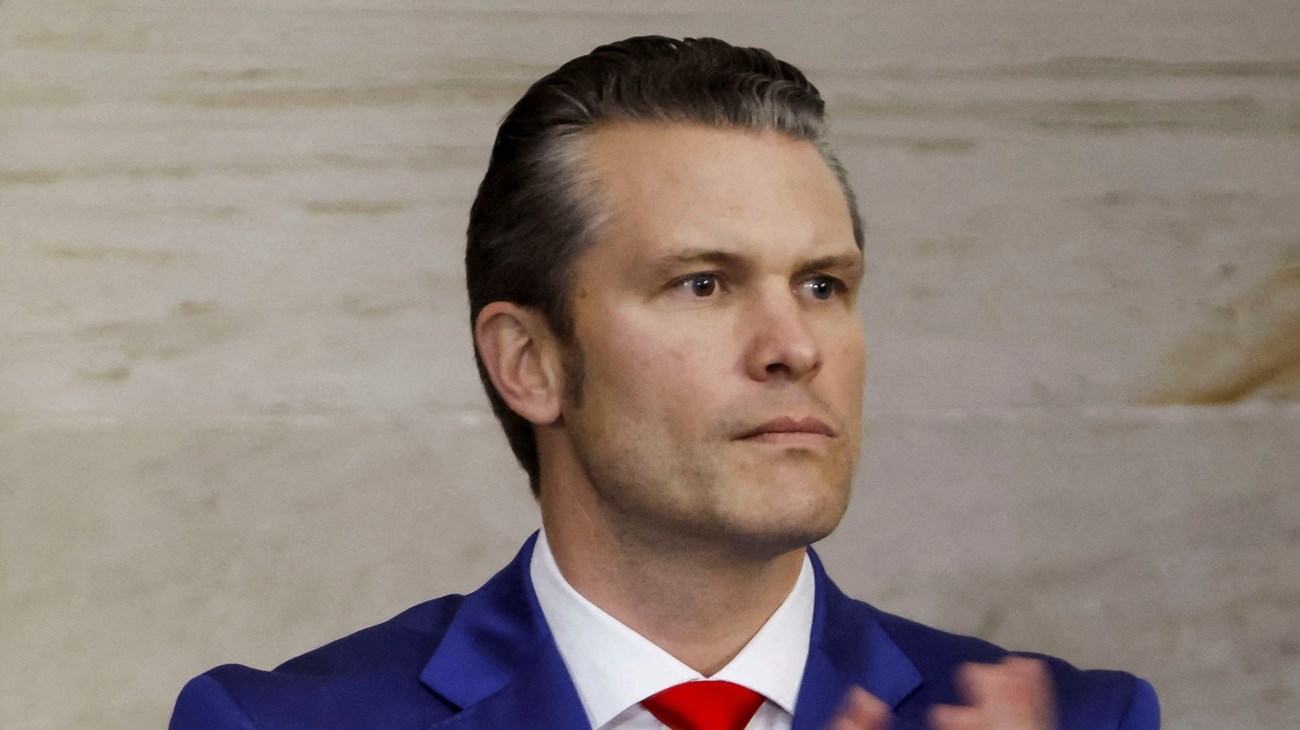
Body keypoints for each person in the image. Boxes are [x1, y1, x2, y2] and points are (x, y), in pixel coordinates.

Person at [170, 36, 1159, 730]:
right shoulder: (271, 723)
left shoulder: (1088, 720)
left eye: (822, 284)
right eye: (703, 283)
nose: (794, 346)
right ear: (530, 362)